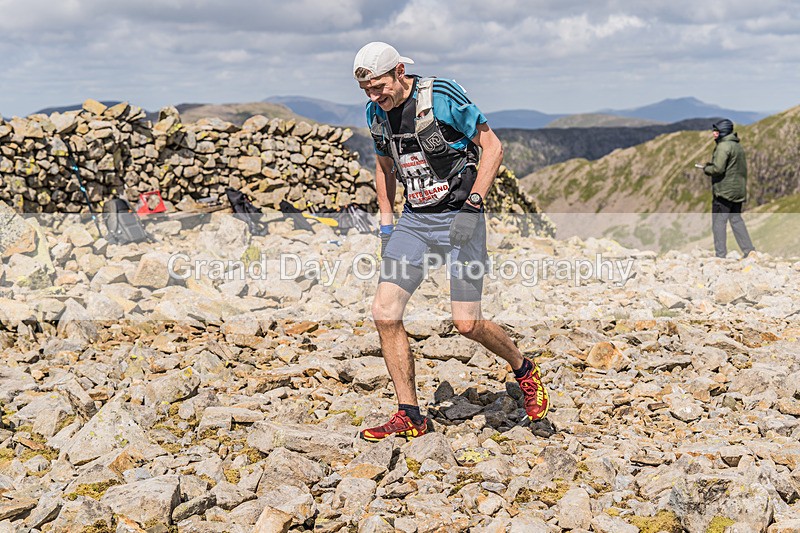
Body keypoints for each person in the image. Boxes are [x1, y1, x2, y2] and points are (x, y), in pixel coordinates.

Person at [352, 42, 549, 441]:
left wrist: (474, 205)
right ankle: (410, 413)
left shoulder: (440, 97)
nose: (375, 97)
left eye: (380, 87)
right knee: (384, 312)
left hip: (461, 217)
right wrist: (387, 223)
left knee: (466, 323)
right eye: (367, 91)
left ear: (400, 72)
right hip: (415, 222)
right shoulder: (376, 113)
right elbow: (384, 165)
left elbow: (492, 146)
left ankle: (523, 368)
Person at [699, 119, 755, 259]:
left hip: (724, 192)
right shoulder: (737, 146)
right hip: (737, 191)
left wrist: (706, 168)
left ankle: (720, 256)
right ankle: (749, 251)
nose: (713, 134)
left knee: (719, 223)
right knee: (736, 220)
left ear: (723, 132)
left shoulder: (723, 146)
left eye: (716, 131)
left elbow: (718, 169)